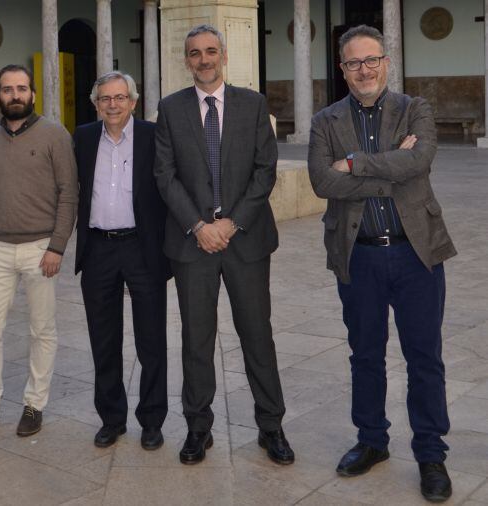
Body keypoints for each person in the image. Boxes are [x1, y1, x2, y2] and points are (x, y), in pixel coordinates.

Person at [307, 24, 456, 502]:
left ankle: (431, 454)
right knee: (365, 356)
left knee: (424, 358)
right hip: (360, 256)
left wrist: (352, 164)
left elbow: (420, 162)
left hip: (416, 254)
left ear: (385, 62)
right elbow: (321, 183)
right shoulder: (326, 119)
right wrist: (389, 164)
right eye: (353, 63)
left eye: (371, 60)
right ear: (343, 70)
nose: (364, 70)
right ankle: (372, 441)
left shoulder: (416, 109)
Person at [154, 25, 293, 465]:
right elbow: (165, 175)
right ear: (186, 59)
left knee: (257, 335)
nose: (203, 59)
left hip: (245, 241)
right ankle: (198, 428)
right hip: (192, 245)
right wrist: (198, 225)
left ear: (224, 55)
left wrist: (231, 223)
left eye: (210, 51)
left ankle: (271, 426)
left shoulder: (252, 105)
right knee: (197, 338)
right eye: (195, 53)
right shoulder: (170, 109)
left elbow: (264, 170)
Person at [0, 64, 78, 438]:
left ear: (33, 94)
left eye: (22, 88)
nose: (15, 95)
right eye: (8, 89)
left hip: (40, 248)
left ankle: (34, 404)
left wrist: (57, 246)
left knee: (41, 330)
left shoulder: (55, 135)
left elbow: (68, 193)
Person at [73, 71, 170, 451]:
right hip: (98, 248)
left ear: (133, 101)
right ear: (95, 104)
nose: (112, 105)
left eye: (119, 97)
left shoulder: (152, 135)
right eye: (104, 99)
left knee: (152, 340)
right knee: (103, 339)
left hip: (142, 248)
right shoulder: (82, 138)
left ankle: (152, 420)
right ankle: (111, 418)